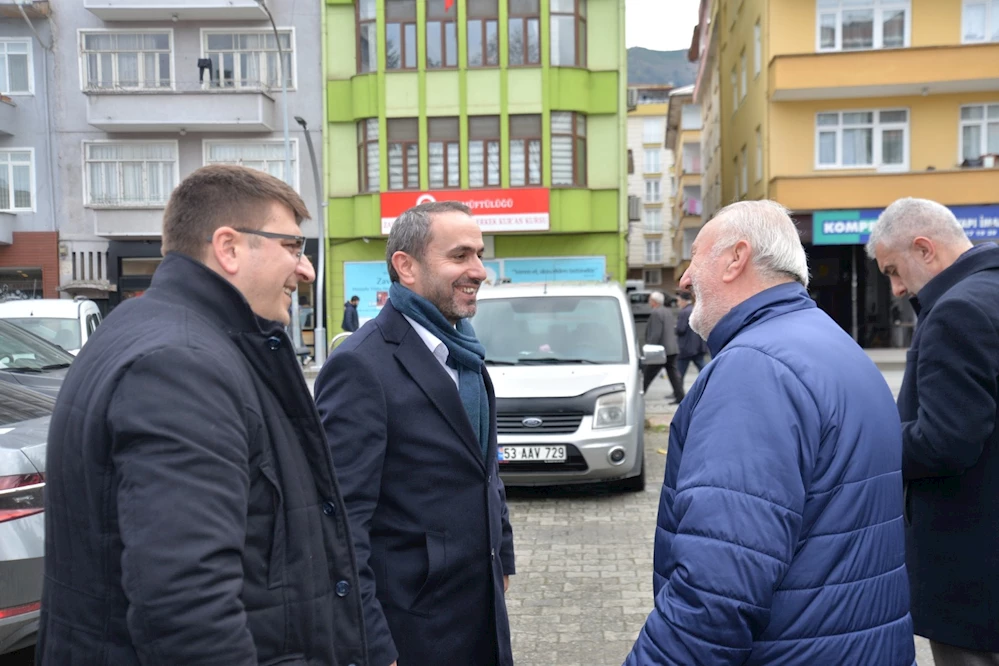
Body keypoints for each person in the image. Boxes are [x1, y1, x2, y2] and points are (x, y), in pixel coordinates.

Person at [37, 165, 366, 666]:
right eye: (292, 247)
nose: (306, 270)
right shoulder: (182, 364)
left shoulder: (159, 332)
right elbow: (185, 603)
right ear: (229, 247)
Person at [624, 200, 914, 665]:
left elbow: (718, 587)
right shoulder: (835, 343)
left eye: (695, 256)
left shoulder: (755, 368)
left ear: (736, 258)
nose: (683, 278)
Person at [314, 200, 515, 666]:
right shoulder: (360, 365)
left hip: (479, 612)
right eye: (460, 256)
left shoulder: (465, 352)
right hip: (410, 629)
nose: (480, 270)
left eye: (480, 254)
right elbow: (340, 524)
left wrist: (501, 555)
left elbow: (484, 469)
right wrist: (370, 643)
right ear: (406, 266)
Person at [867, 197, 999, 665]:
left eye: (893, 271)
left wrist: (870, 441)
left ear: (925, 249)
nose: (898, 289)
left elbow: (946, 442)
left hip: (973, 575)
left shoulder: (955, 312)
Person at [642, 291, 683, 403]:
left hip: (661, 351)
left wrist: (649, 348)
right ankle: (680, 396)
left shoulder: (656, 313)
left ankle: (639, 395)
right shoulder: (667, 311)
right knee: (673, 374)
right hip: (671, 349)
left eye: (650, 300)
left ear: (654, 302)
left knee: (647, 374)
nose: (649, 302)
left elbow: (656, 333)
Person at [674, 290, 708, 382]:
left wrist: (675, 327)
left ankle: (678, 392)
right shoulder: (695, 309)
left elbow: (680, 329)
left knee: (680, 371)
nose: (677, 303)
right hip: (698, 346)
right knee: (704, 369)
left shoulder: (683, 312)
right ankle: (713, 383)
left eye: (678, 300)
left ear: (683, 300)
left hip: (686, 347)